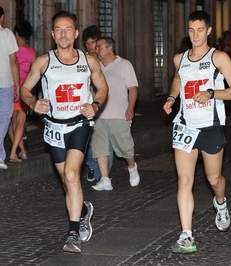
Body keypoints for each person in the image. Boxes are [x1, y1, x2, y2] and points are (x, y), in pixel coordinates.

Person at [20, 10, 108, 253]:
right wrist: (33, 103)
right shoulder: (43, 61)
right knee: (67, 182)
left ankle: (72, 234)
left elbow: (102, 87)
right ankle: (82, 211)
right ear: (52, 34)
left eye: (68, 29)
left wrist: (95, 105)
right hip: (54, 127)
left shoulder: (88, 61)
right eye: (58, 29)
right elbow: (25, 89)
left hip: (80, 123)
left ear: (76, 33)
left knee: (71, 175)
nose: (63, 34)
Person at [163, 10, 231, 253]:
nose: (195, 35)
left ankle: (221, 202)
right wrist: (171, 98)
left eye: (200, 30)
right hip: (185, 125)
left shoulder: (219, 58)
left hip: (211, 126)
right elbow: (179, 80)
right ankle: (186, 235)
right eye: (191, 30)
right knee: (184, 180)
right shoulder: (180, 58)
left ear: (209, 30)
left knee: (214, 179)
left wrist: (211, 93)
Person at [90, 36, 140, 191]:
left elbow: (133, 88)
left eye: (99, 47)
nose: (96, 50)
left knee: (125, 147)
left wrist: (131, 108)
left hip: (118, 113)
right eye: (96, 48)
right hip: (98, 115)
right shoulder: (95, 66)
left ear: (109, 49)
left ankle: (132, 167)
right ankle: (105, 179)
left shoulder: (124, 64)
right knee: (100, 148)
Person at [82, 25, 114, 182]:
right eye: (87, 43)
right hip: (86, 105)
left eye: (93, 42)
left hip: (103, 105)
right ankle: (92, 165)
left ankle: (102, 172)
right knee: (87, 139)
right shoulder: (82, 60)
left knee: (105, 138)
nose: (91, 46)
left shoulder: (104, 60)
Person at [7, 20, 36, 163]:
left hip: (11, 87)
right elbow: (35, 73)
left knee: (12, 123)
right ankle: (14, 152)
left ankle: (22, 151)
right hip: (25, 89)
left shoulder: (12, 50)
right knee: (21, 122)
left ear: (16, 33)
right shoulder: (32, 51)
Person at [0, 6, 20, 170]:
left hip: (6, 83)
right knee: (4, 118)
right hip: (5, 82)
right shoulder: (7, 35)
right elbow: (14, 62)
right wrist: (18, 85)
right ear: (1, 18)